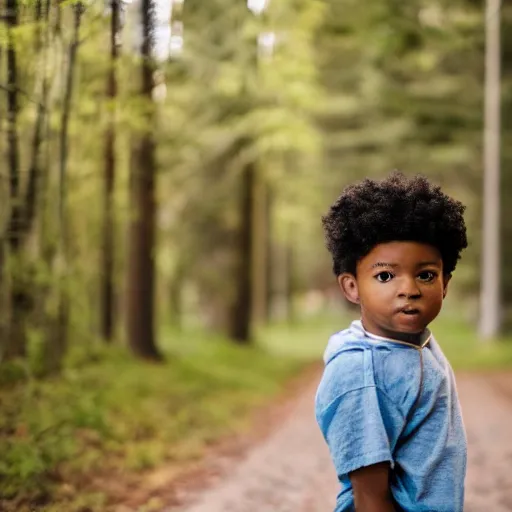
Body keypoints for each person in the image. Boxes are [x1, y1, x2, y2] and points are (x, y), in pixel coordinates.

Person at [315, 172, 468, 512]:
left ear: (445, 283)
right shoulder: (359, 372)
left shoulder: (415, 343)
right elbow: (370, 496)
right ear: (352, 286)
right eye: (385, 275)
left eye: (425, 275)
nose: (409, 289)